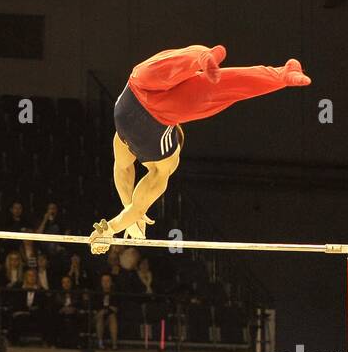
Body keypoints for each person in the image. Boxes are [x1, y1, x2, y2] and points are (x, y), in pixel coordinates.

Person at [90, 45, 310, 244]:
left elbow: (124, 175)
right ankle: (280, 74)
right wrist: (115, 225)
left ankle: (208, 57)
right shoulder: (165, 162)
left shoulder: (154, 156)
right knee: (222, 86)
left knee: (204, 82)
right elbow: (133, 197)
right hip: (150, 104)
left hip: (139, 91)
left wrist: (124, 221)